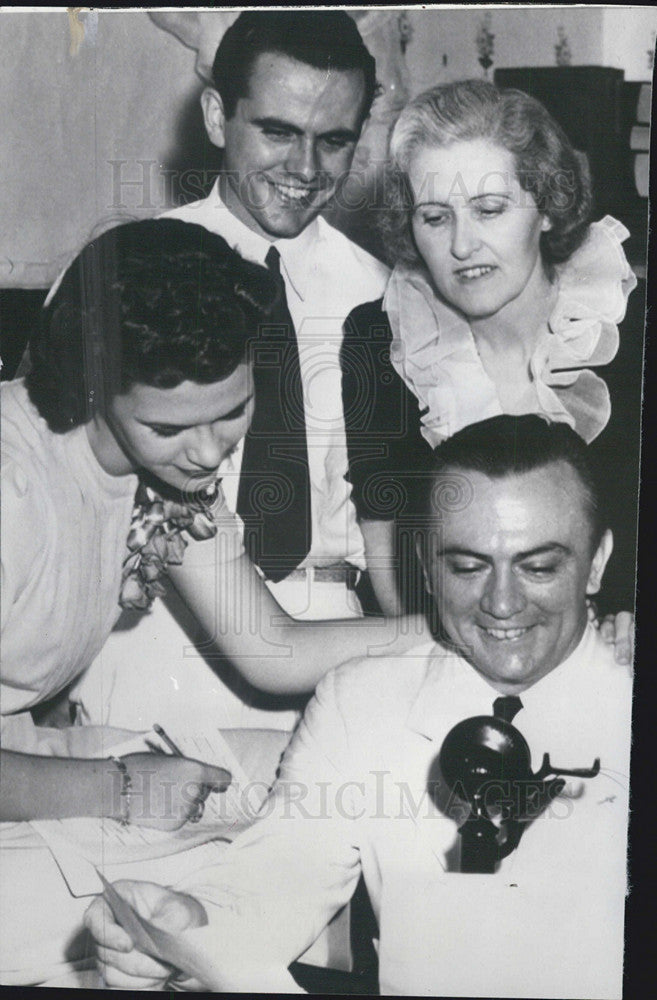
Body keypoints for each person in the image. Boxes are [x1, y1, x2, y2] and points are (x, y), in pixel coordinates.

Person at [0, 217, 425, 984]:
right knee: (184, 898)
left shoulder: (158, 473)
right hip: (27, 783)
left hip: (23, 759)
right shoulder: (13, 489)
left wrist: (460, 630)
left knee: (345, 787)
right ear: (93, 384)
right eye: (169, 426)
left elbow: (271, 648)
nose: (205, 453)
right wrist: (117, 788)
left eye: (231, 412)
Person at [84, 414, 632, 997]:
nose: (501, 602)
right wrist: (185, 922)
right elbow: (274, 881)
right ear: (425, 565)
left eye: (540, 567)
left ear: (596, 563)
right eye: (468, 567)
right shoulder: (362, 701)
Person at [69, 9, 407, 735]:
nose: (305, 169)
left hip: (340, 651)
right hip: (154, 644)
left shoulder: (390, 298)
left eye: (334, 140)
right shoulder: (127, 269)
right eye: (278, 132)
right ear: (218, 115)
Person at [341, 79, 638, 628]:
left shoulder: (632, 330)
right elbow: (387, 552)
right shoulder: (378, 340)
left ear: (547, 207)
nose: (461, 244)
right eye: (434, 217)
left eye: (490, 209)